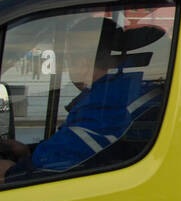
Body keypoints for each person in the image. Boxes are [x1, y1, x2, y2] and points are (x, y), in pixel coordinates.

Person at [0, 17, 162, 184]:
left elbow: (59, 161)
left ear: (83, 64)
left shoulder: (109, 104)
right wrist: (28, 150)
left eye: (68, 58)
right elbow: (74, 143)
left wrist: (11, 172)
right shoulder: (122, 89)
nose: (66, 65)